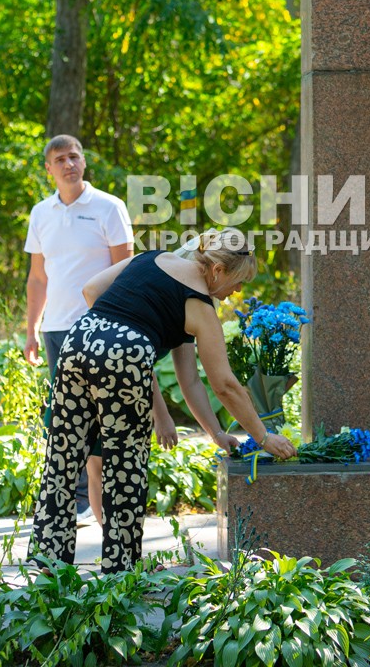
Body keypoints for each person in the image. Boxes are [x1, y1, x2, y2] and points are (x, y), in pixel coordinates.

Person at [29, 228, 296, 573]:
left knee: (63, 459)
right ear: (217, 271)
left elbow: (92, 290)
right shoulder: (200, 307)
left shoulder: (153, 258)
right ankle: (119, 575)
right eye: (238, 282)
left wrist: (216, 434)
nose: (237, 293)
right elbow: (225, 385)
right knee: (124, 467)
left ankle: (48, 563)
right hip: (124, 357)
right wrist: (263, 436)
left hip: (79, 341)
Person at [24, 134, 178, 524]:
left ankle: (109, 500)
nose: (68, 164)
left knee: (109, 413)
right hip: (57, 329)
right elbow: (37, 277)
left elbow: (126, 269)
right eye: (60, 159)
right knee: (66, 417)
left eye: (74, 156)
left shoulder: (109, 207)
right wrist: (31, 329)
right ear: (49, 169)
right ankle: (78, 501)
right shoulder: (41, 213)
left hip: (103, 325)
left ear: (83, 162)